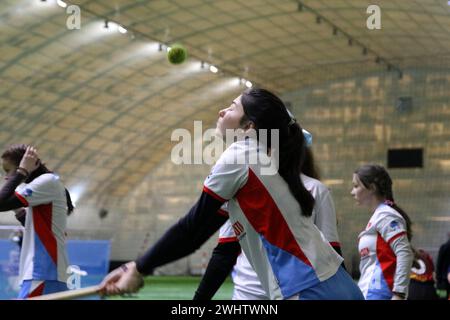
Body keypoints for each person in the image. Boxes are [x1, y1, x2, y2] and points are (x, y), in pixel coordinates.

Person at [100, 88, 364, 300]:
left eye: (232, 107)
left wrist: (140, 268)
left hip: (305, 288)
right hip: (337, 285)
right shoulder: (266, 165)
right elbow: (203, 233)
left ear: (249, 126)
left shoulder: (240, 155)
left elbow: (192, 228)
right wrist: (133, 267)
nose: (221, 110)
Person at [193, 130, 344, 300]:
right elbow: (225, 252)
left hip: (298, 290)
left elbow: (332, 250)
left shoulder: (316, 190)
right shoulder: (242, 188)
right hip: (248, 293)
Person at [0, 144, 74, 298]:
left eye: (8, 170)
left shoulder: (47, 181)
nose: (7, 177)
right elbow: (38, 228)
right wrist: (18, 210)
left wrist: (21, 171)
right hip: (48, 273)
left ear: (25, 164)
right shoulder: (42, 186)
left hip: (43, 272)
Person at [351, 164, 413, 300]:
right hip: (368, 293)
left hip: (381, 294)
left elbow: (405, 253)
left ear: (372, 187)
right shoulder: (379, 216)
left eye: (356, 186)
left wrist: (399, 294)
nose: (352, 192)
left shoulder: (386, 215)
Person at [436, 234, 450, 299]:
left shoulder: (444, 247)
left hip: (442, 280)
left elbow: (439, 264)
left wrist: (438, 278)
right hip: (444, 278)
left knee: (442, 297)